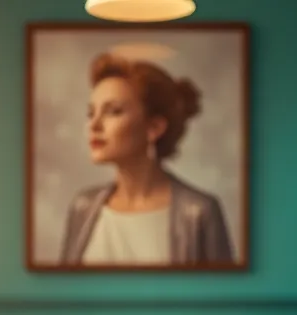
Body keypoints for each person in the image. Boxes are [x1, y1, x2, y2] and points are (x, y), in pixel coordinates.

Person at [58, 53, 235, 267]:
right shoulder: (82, 207)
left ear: (154, 128)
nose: (94, 125)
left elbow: (222, 296)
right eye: (91, 113)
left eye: (113, 111)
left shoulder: (199, 211)